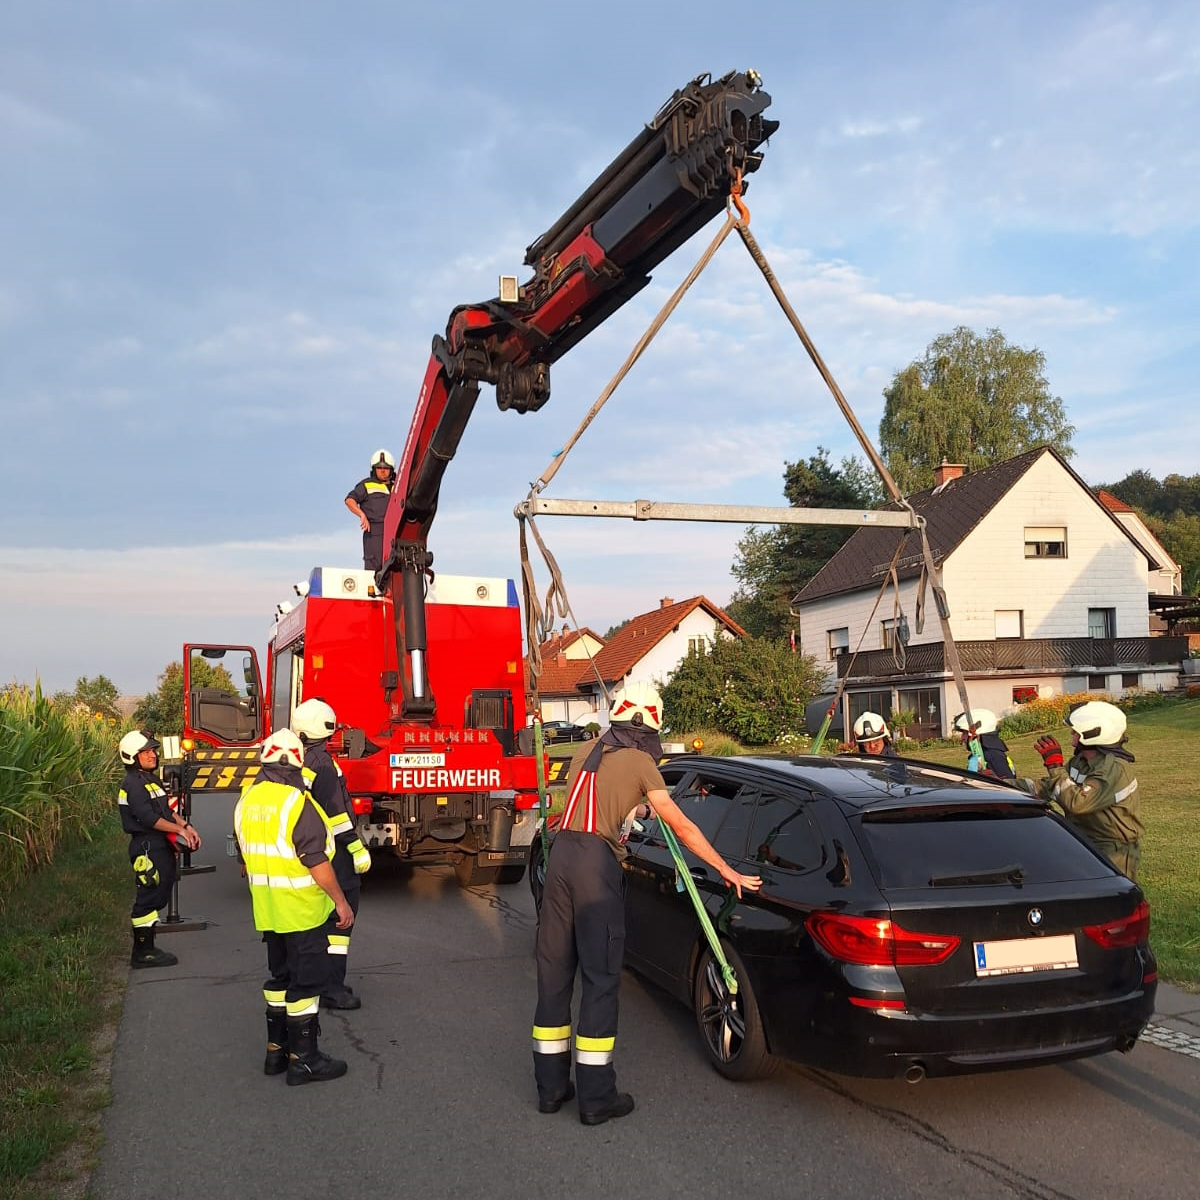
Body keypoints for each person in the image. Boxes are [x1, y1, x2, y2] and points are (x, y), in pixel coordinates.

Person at [531, 681, 762, 1126]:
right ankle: (596, 1098)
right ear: (646, 728)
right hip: (595, 868)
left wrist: (637, 810)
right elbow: (682, 827)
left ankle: (551, 1088)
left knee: (554, 975)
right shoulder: (640, 761)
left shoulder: (587, 751)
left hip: (561, 859)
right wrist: (725, 870)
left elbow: (599, 801)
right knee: (600, 979)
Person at [234, 729, 355, 1085]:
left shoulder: (247, 800)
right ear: (297, 763)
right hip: (302, 912)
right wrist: (341, 901)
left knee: (280, 979)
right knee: (306, 985)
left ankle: (276, 1052)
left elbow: (243, 858)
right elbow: (316, 861)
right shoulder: (296, 803)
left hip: (268, 911)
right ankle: (304, 1061)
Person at [291, 698, 371, 1011]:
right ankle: (331, 987)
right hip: (334, 850)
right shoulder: (322, 763)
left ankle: (320, 981)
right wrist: (355, 846)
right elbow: (336, 813)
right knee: (341, 921)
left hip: (313, 848)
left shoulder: (299, 759)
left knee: (320, 919)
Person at [1029, 700, 1142, 880]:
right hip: (1084, 842)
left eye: (1076, 731)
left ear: (1092, 733)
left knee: (1107, 896)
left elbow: (1078, 803)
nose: (1072, 734)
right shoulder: (1080, 762)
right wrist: (997, 783)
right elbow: (1049, 786)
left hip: (1112, 852)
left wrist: (1055, 766)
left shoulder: (1114, 770)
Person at [118, 729, 201, 969]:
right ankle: (143, 952)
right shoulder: (133, 784)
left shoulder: (150, 780)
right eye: (145, 752)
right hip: (146, 846)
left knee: (159, 892)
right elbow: (149, 818)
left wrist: (186, 826)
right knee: (147, 897)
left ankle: (149, 947)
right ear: (132, 756)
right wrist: (179, 832)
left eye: (153, 750)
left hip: (158, 844)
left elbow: (166, 811)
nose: (153, 755)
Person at [344, 449, 395, 571]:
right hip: (374, 533)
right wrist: (361, 515)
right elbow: (349, 500)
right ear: (374, 469)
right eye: (379, 468)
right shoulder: (366, 485)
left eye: (386, 468)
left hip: (395, 532)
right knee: (373, 572)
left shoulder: (398, 486)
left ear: (391, 470)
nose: (382, 471)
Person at [951, 708, 1015, 779]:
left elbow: (1008, 783)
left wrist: (994, 779)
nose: (962, 738)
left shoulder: (992, 756)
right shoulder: (984, 755)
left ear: (977, 733)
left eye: (965, 733)